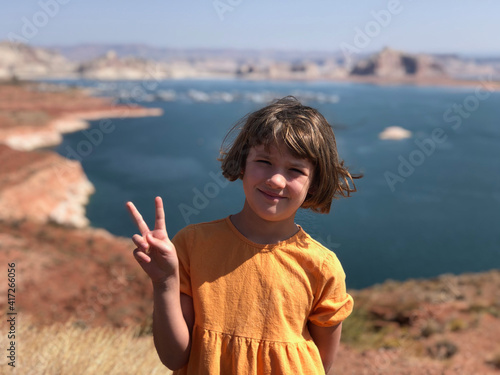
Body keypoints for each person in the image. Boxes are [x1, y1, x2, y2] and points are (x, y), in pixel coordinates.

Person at [126, 96, 360, 374]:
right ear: (242, 163)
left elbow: (321, 364)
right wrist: (165, 281)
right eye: (264, 161)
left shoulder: (322, 266)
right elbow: (175, 358)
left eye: (295, 169)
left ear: (314, 183)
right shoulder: (193, 244)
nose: (276, 179)